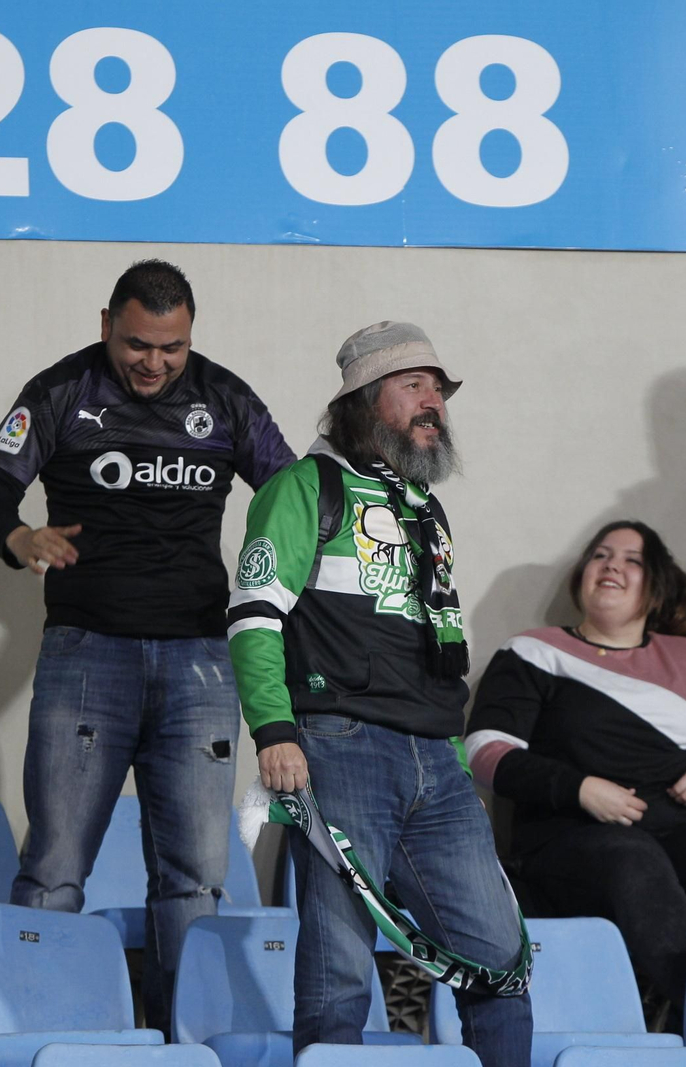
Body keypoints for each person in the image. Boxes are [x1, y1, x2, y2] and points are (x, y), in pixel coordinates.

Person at [0, 259, 294, 1034]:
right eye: (140, 343)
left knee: (194, 881)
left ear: (191, 333)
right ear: (106, 321)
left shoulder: (227, 398)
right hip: (86, 657)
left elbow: (292, 493)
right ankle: (40, 1035)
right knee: (52, 872)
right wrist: (19, 536)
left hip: (204, 663)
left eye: (172, 347)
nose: (155, 362)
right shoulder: (60, 390)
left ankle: (186, 1041)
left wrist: (272, 592)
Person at [227, 322, 532, 1064]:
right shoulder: (302, 488)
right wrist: (274, 730)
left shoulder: (426, 506)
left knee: (499, 960)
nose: (435, 404)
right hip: (339, 746)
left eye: (439, 390)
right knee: (337, 970)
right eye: (415, 387)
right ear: (363, 402)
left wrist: (454, 757)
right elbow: (253, 614)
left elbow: (435, 648)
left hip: (437, 758)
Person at [465, 519, 686, 1031]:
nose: (612, 564)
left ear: (655, 585)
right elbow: (485, 749)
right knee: (632, 860)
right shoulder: (532, 652)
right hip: (575, 834)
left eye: (632, 560)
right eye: (600, 555)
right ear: (581, 576)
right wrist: (579, 789)